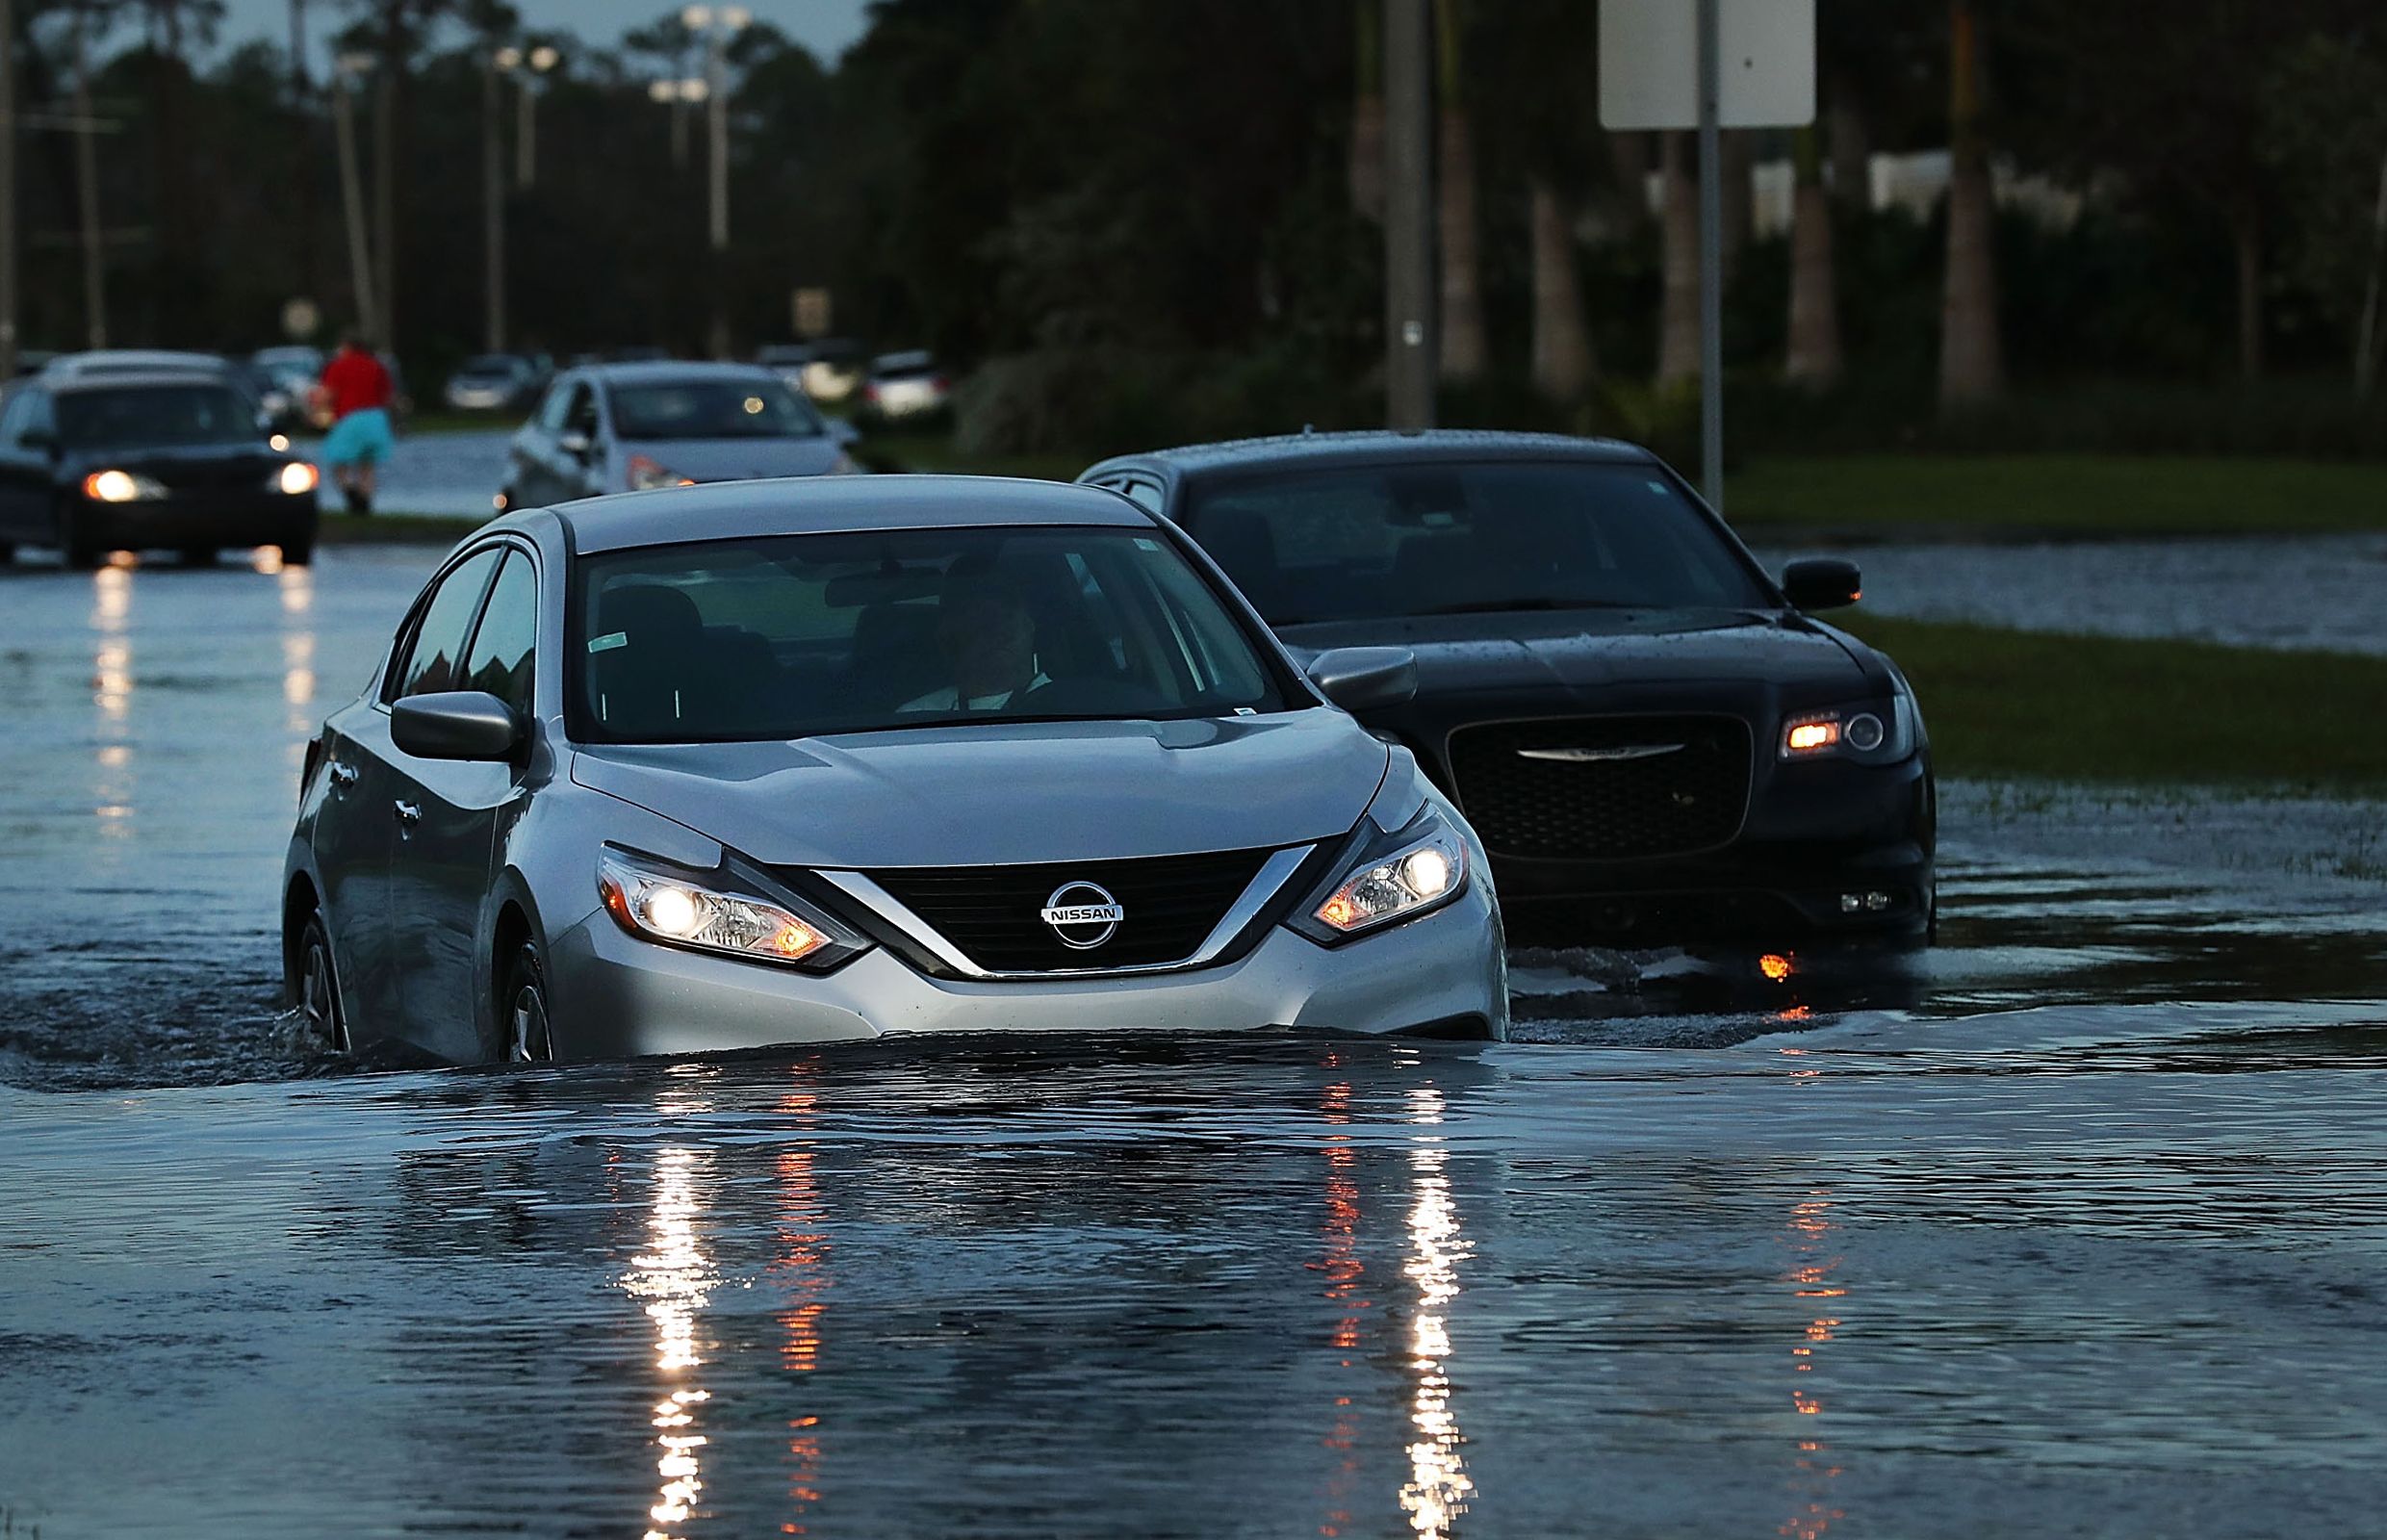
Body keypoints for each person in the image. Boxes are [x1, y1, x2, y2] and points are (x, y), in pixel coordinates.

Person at [899, 573, 1050, 713]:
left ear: (1030, 626)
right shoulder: (916, 716)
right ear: (949, 639)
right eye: (987, 621)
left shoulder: (1068, 706)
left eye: (1008, 616)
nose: (1002, 631)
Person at [315, 331, 396, 516]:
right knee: (367, 465)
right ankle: (366, 501)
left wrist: (313, 407)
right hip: (377, 419)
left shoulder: (339, 366)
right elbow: (388, 397)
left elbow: (328, 394)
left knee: (337, 462)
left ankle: (351, 494)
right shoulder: (376, 366)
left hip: (351, 418)